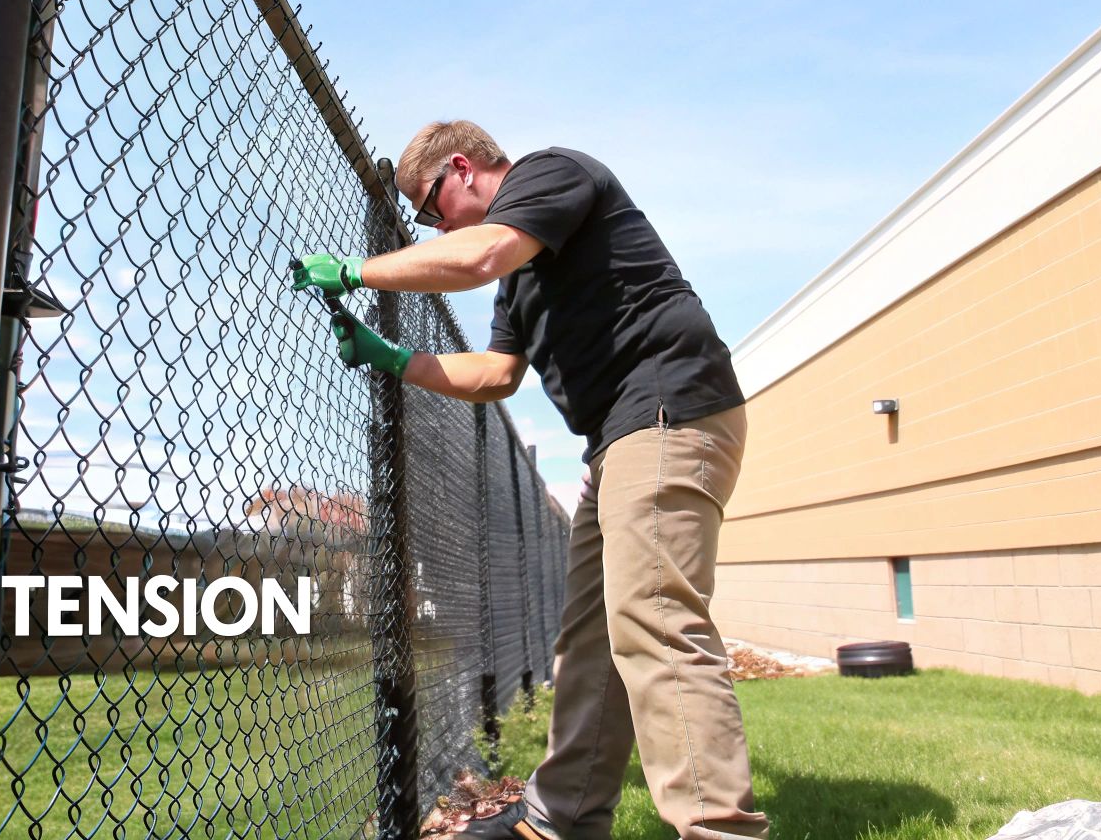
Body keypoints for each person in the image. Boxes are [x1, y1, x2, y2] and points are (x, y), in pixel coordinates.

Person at [291, 119, 767, 840]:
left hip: (671, 406)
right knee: (590, 641)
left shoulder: (550, 174)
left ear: (462, 167)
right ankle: (562, 821)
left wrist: (358, 269)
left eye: (429, 208)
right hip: (620, 438)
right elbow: (495, 375)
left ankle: (717, 831)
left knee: (656, 619)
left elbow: (477, 253)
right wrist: (393, 358)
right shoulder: (520, 276)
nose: (433, 226)